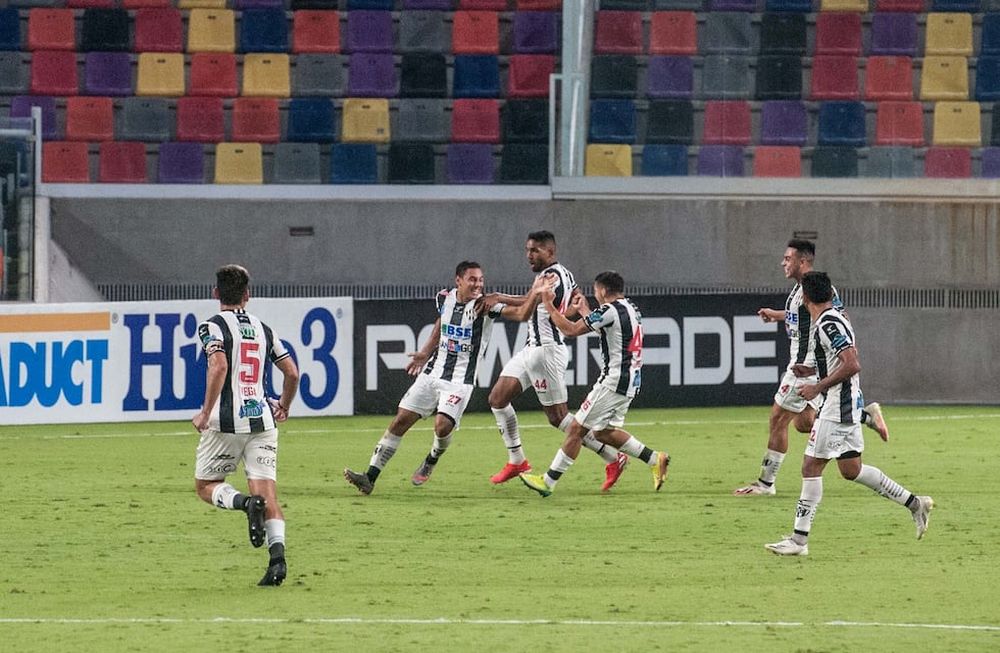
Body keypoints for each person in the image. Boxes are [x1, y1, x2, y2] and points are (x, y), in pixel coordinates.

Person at [765, 272, 933, 556]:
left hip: (835, 407)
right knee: (851, 470)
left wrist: (816, 385)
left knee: (810, 468)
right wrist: (813, 370)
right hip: (846, 403)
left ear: (805, 298)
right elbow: (840, 361)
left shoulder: (827, 323)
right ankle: (916, 503)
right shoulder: (834, 319)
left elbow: (852, 364)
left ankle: (798, 541)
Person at [343, 261, 542, 495]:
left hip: (459, 381)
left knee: (442, 425)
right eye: (472, 279)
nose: (478, 284)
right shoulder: (443, 298)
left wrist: (531, 296)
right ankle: (369, 477)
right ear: (458, 280)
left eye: (480, 280)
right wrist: (425, 352)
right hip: (432, 373)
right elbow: (441, 323)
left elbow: (520, 313)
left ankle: (433, 456)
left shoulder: (485, 306)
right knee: (400, 421)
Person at [734, 239, 888, 496]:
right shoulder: (799, 290)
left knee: (777, 419)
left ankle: (765, 484)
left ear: (802, 261)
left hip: (804, 368)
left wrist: (837, 356)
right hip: (804, 366)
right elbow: (802, 315)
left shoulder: (820, 288)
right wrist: (776, 314)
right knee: (803, 423)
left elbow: (839, 319)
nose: (783, 262)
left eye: (788, 258)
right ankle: (864, 416)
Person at [487, 231, 630, 492]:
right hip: (532, 349)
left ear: (550, 252)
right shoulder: (562, 273)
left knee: (559, 418)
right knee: (497, 399)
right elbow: (571, 299)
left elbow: (523, 313)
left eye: (535, 251)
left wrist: (498, 299)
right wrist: (571, 309)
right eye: (527, 249)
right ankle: (517, 460)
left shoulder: (549, 277)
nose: (529, 255)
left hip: (546, 352)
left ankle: (614, 457)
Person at [191, 264, 299, 586]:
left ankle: (244, 503)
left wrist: (205, 411)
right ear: (248, 295)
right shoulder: (264, 329)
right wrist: (284, 405)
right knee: (269, 495)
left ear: (215, 294)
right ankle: (277, 561)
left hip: (225, 423)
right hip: (263, 420)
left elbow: (219, 365)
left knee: (206, 485)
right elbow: (292, 373)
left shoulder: (211, 327)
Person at [520, 271, 670, 497]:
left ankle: (548, 482)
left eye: (596, 291)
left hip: (613, 381)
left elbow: (570, 330)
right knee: (603, 433)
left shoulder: (610, 310)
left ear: (601, 290)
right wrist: (584, 311)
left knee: (576, 429)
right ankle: (654, 458)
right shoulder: (630, 308)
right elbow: (607, 328)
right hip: (630, 380)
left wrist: (549, 305)